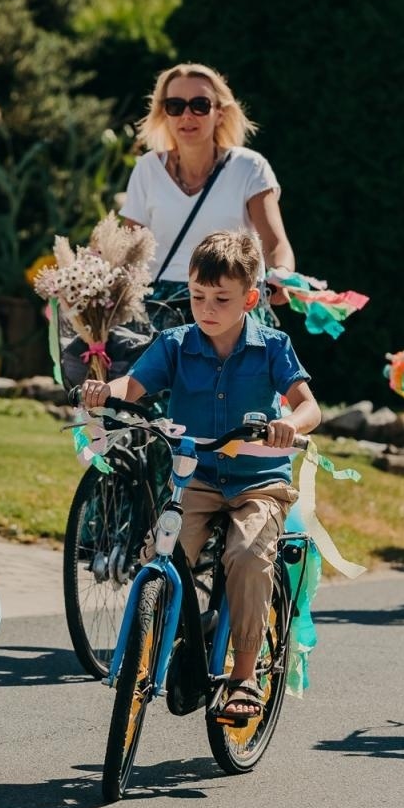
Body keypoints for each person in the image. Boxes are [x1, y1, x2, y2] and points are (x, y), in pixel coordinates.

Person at [80, 231, 320, 721]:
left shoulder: (273, 347)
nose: (206, 308)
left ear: (251, 299)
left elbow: (309, 406)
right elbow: (135, 384)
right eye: (197, 296)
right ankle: (162, 645)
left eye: (221, 299)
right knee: (164, 555)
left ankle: (245, 675)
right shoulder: (175, 344)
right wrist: (108, 390)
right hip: (197, 481)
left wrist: (288, 425)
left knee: (249, 556)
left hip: (259, 483)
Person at [120, 64, 295, 327]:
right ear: (164, 113)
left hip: (232, 306)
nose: (187, 115)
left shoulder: (249, 167)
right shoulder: (147, 169)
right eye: (175, 106)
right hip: (161, 312)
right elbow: (127, 252)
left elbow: (274, 244)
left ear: (220, 113)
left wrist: (281, 274)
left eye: (199, 105)